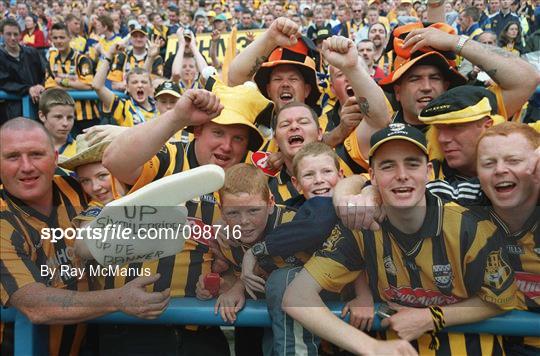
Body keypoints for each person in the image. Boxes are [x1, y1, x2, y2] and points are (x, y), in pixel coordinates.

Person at [283, 124, 518, 355]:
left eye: (412, 164)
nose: (402, 175)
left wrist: (431, 317)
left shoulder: (469, 225)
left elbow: (503, 297)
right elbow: (296, 296)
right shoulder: (361, 228)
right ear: (372, 177)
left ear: (428, 171)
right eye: (388, 166)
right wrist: (371, 347)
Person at [0, 118, 170, 356]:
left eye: (37, 154)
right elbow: (33, 304)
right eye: (12, 157)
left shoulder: (78, 186)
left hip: (88, 343)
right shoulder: (4, 220)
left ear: (55, 158)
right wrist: (118, 299)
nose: (26, 166)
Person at [475, 122, 540, 355]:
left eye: (513, 161)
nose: (500, 170)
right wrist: (364, 191)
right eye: (488, 163)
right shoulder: (465, 207)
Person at [45, 22, 99, 135]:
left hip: (86, 115)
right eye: (55, 37)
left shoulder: (82, 59)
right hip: (62, 116)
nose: (59, 41)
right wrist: (74, 84)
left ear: (69, 38)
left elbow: (88, 85)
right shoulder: (51, 59)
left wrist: (63, 82)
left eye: (62, 37)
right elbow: (49, 87)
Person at [93, 45, 157, 127]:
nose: (140, 85)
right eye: (134, 82)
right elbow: (97, 86)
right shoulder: (123, 107)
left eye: (144, 82)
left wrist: (150, 58)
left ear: (150, 87)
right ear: (127, 87)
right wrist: (109, 55)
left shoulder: (160, 105)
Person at [0, 18, 46, 122]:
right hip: (11, 111)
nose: (12, 38)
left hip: (37, 106)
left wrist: (41, 85)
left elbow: (45, 73)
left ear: (20, 35)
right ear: (2, 34)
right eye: (8, 34)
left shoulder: (32, 53)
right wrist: (28, 89)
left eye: (15, 34)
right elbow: (3, 82)